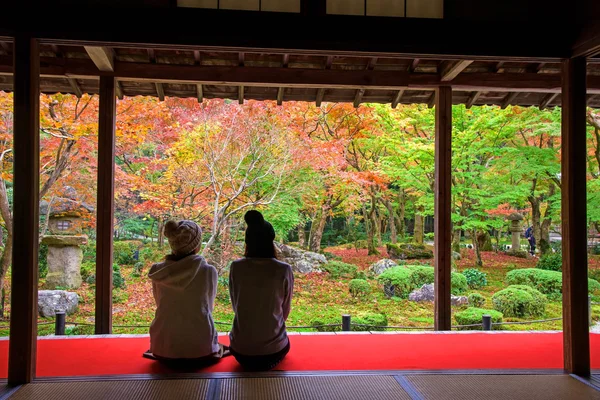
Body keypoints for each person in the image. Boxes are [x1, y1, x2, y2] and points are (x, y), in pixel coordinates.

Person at [144, 220, 229, 366]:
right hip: (200, 349)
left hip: (162, 346)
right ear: (196, 245)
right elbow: (208, 307)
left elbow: (159, 302)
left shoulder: (159, 271)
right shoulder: (208, 271)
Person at [228, 210, 294, 371]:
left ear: (247, 242)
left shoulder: (236, 267)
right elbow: (285, 311)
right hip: (274, 351)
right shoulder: (283, 269)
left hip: (240, 351)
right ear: (270, 241)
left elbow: (235, 304)